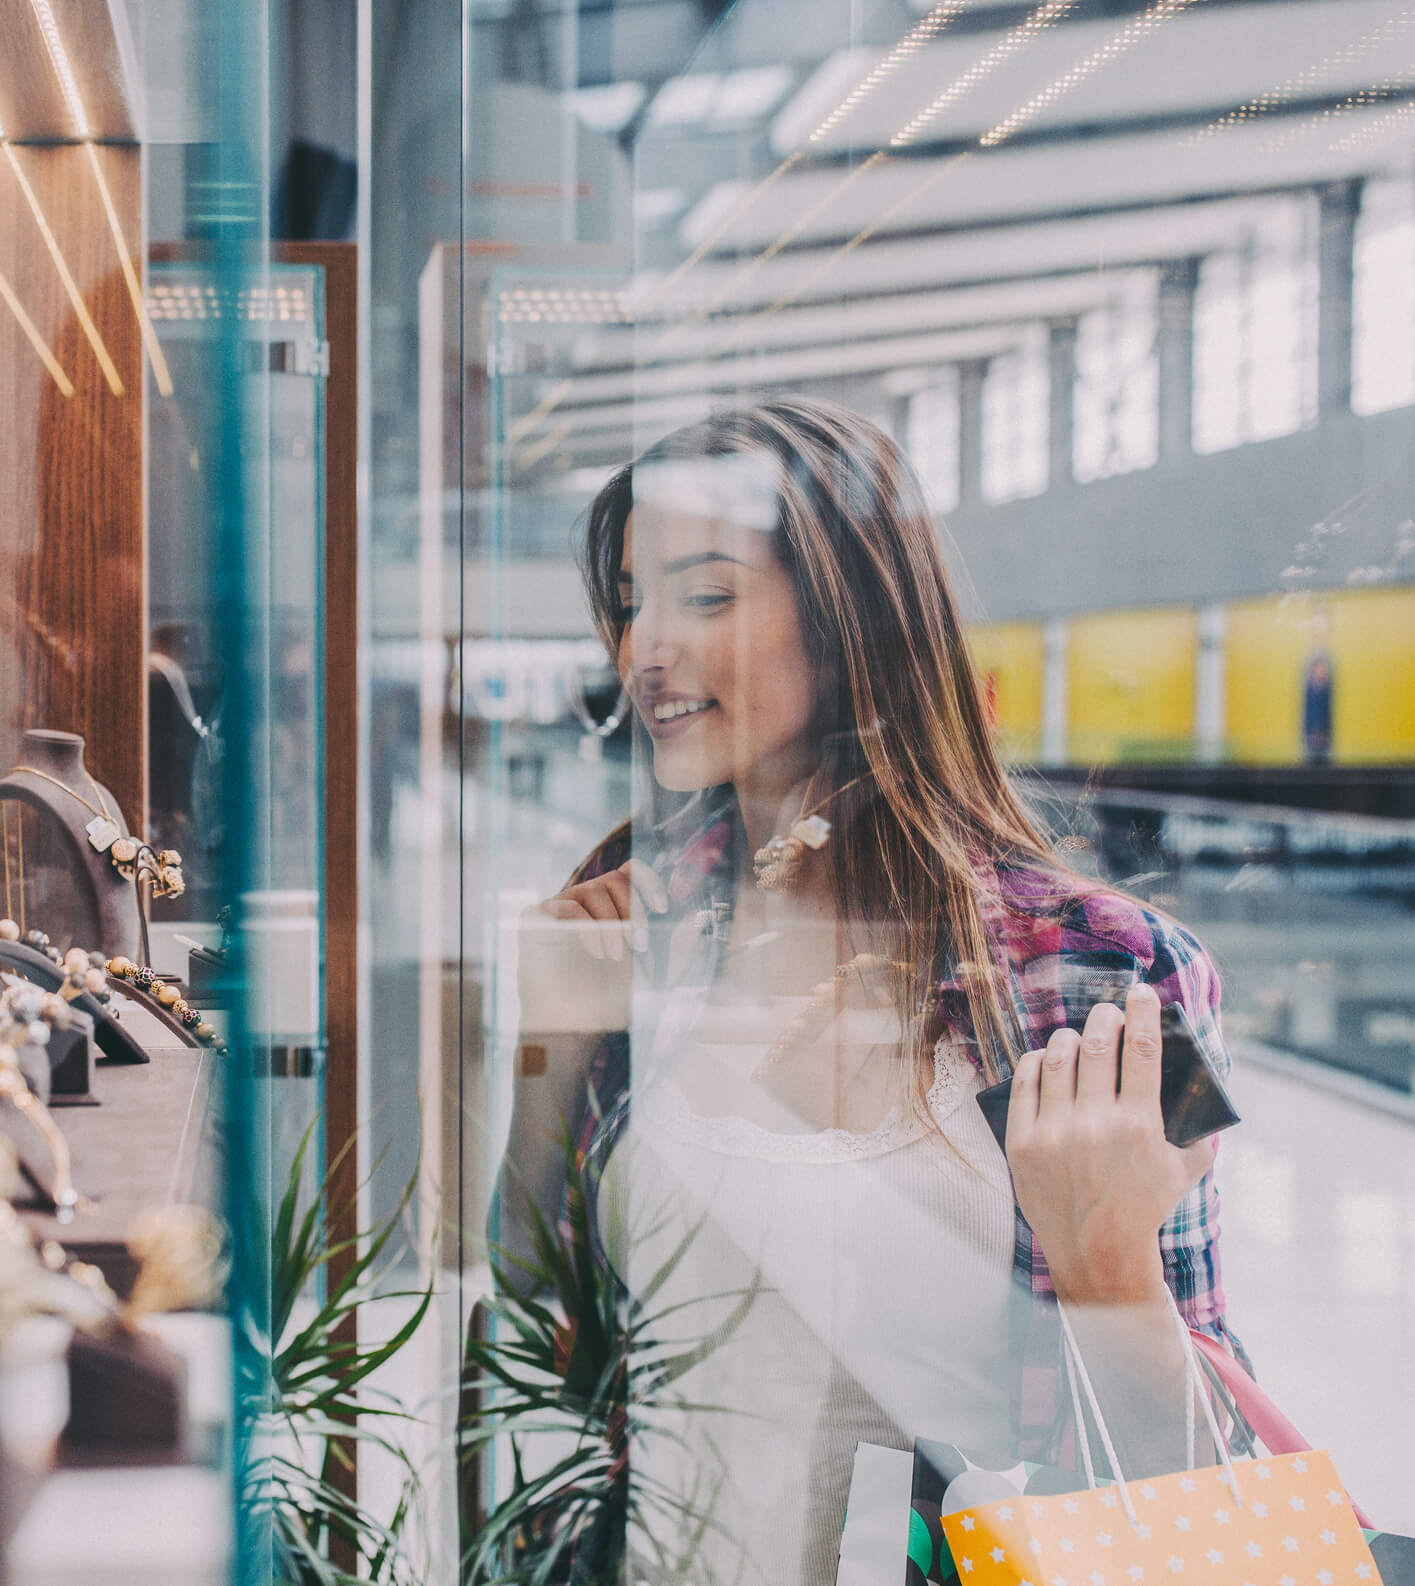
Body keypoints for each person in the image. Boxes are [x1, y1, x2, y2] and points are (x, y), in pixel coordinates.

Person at [496, 397, 1245, 1586]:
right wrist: (547, 1039)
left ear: (852, 621)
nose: (644, 650)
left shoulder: (1114, 970)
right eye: (634, 601)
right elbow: (531, 1302)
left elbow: (1205, 1478)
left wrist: (1109, 1272)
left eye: (704, 593)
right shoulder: (630, 908)